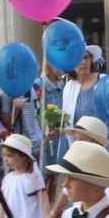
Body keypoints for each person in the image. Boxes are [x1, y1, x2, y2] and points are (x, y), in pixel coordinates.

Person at [35, 64, 66, 202]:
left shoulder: (62, 83)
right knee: (47, 174)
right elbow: (36, 110)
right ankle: (45, 209)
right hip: (46, 136)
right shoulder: (39, 84)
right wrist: (45, 126)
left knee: (55, 174)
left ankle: (51, 205)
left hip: (59, 134)